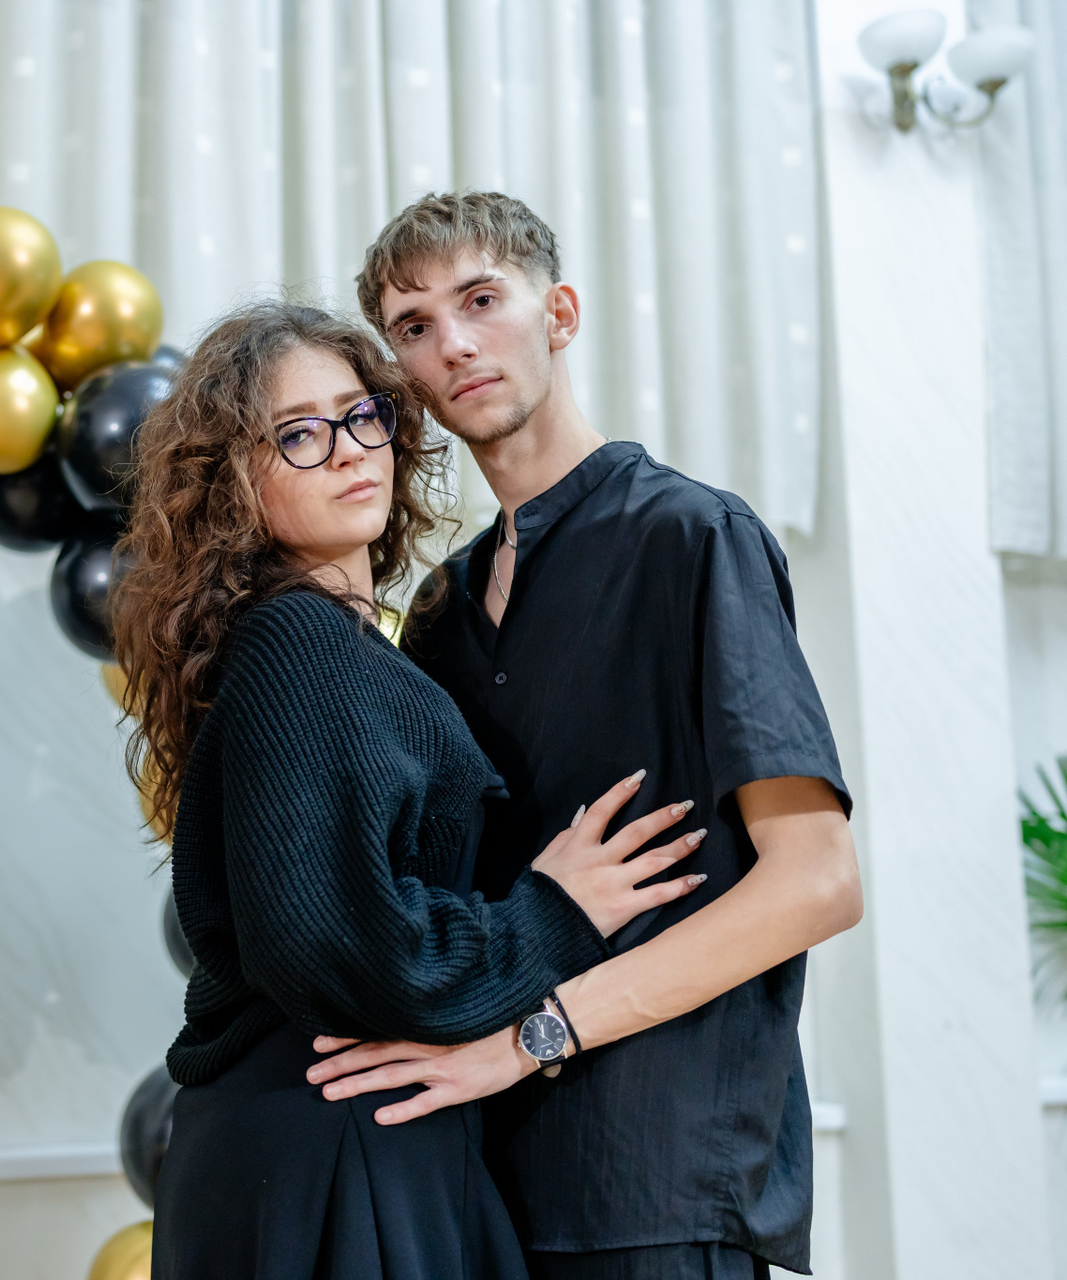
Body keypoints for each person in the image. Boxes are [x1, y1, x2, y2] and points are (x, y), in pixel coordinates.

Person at [306, 191, 863, 1280]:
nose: (454, 342)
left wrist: (534, 1036)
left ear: (558, 312)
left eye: (481, 300)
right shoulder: (440, 611)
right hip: (483, 1175)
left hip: (658, 1181)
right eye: (415, 326)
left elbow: (818, 882)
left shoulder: (693, 537)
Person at [114, 300, 711, 1280]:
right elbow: (341, 945)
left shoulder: (339, 644)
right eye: (298, 434)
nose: (349, 449)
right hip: (337, 1137)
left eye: (361, 416)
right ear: (234, 482)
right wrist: (556, 912)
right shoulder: (299, 643)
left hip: (341, 1130)